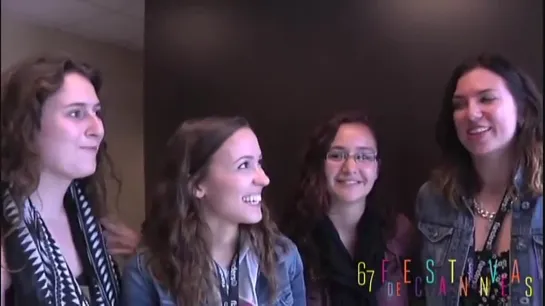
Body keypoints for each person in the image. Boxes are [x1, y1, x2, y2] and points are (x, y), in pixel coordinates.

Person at [121, 116, 306, 305]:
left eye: (259, 163)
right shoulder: (147, 273)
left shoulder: (283, 257)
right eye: (244, 165)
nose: (264, 179)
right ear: (197, 185)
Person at [415, 53, 543, 306]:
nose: (471, 113)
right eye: (459, 104)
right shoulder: (434, 198)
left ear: (522, 112)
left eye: (487, 99)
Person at [0, 55, 121, 305]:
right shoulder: (5, 235)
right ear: (27, 127)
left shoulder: (91, 224)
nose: (97, 128)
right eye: (76, 113)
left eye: (96, 112)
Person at [282, 111, 417, 306]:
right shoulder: (291, 242)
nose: (350, 167)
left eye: (364, 156)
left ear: (377, 168)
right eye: (337, 155)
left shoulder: (400, 234)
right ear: (320, 165)